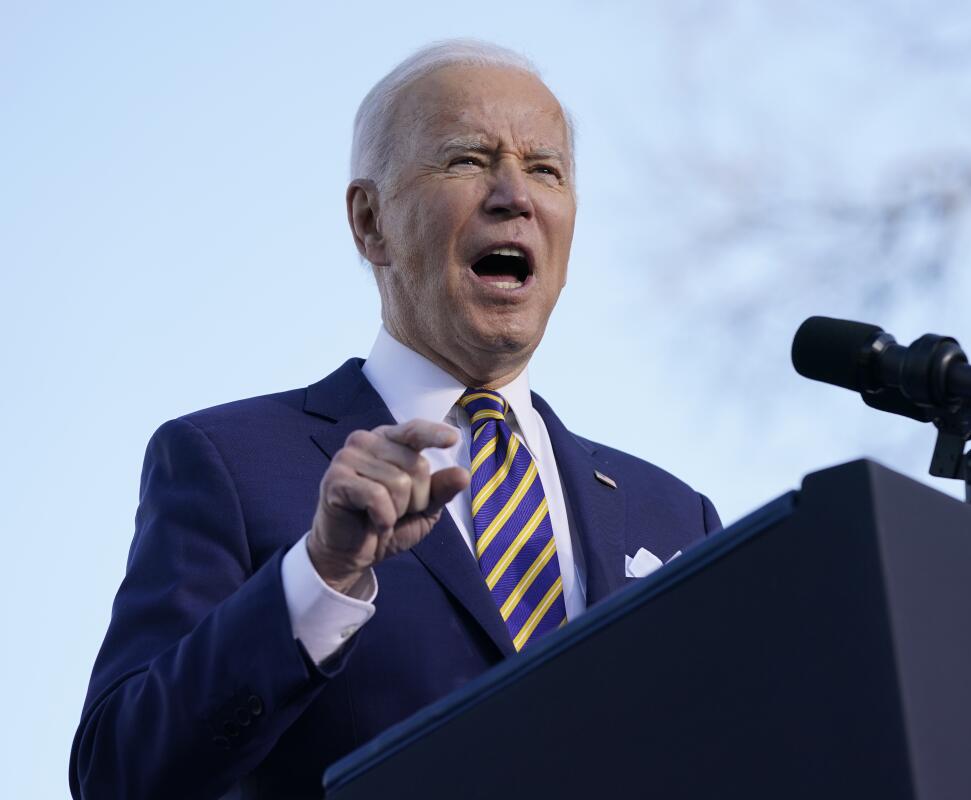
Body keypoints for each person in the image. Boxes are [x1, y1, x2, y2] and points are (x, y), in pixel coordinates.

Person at [70, 40, 721, 799]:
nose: (515, 195)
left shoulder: (676, 514)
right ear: (370, 220)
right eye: (468, 160)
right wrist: (322, 573)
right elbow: (120, 775)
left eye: (546, 170)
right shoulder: (230, 463)